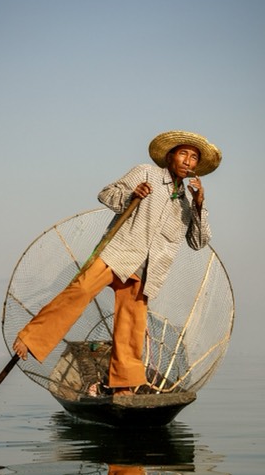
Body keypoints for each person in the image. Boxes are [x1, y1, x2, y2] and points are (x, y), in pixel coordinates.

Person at [12, 130, 222, 395]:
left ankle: (123, 383)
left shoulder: (187, 203)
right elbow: (106, 194)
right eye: (183, 154)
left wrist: (200, 204)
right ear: (170, 156)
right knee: (80, 291)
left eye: (193, 158)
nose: (188, 161)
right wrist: (131, 195)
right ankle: (31, 338)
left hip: (146, 271)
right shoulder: (146, 173)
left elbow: (198, 241)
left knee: (131, 325)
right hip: (117, 254)